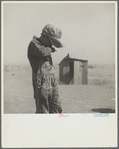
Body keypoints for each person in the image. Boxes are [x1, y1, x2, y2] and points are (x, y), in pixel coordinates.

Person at [27, 24, 64, 113]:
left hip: (52, 81)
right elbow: (42, 52)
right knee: (43, 111)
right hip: (42, 84)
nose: (52, 44)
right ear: (45, 36)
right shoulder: (34, 44)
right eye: (51, 41)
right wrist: (50, 49)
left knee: (57, 109)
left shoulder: (45, 46)